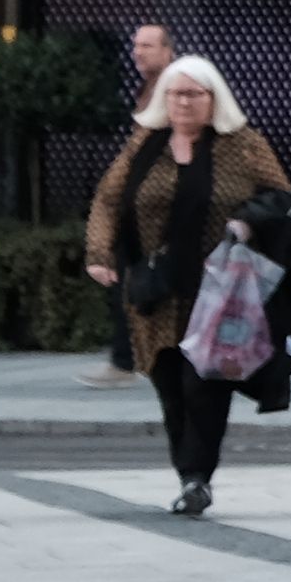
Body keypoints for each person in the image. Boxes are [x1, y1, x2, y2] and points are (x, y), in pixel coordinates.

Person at [84, 55, 290, 517]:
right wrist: (100, 254)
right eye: (176, 93)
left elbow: (283, 197)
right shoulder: (144, 146)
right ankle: (187, 474)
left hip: (219, 295)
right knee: (170, 388)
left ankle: (198, 476)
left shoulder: (243, 145)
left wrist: (248, 221)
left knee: (205, 386)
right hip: (155, 293)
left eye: (194, 94)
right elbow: (108, 199)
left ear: (213, 99)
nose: (183, 102)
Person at [82, 21, 180, 387]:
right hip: (139, 206)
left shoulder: (175, 89)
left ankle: (132, 360)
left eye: (147, 46)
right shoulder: (148, 90)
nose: (138, 52)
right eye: (136, 45)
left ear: (168, 50)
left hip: (162, 208)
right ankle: (129, 359)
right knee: (130, 281)